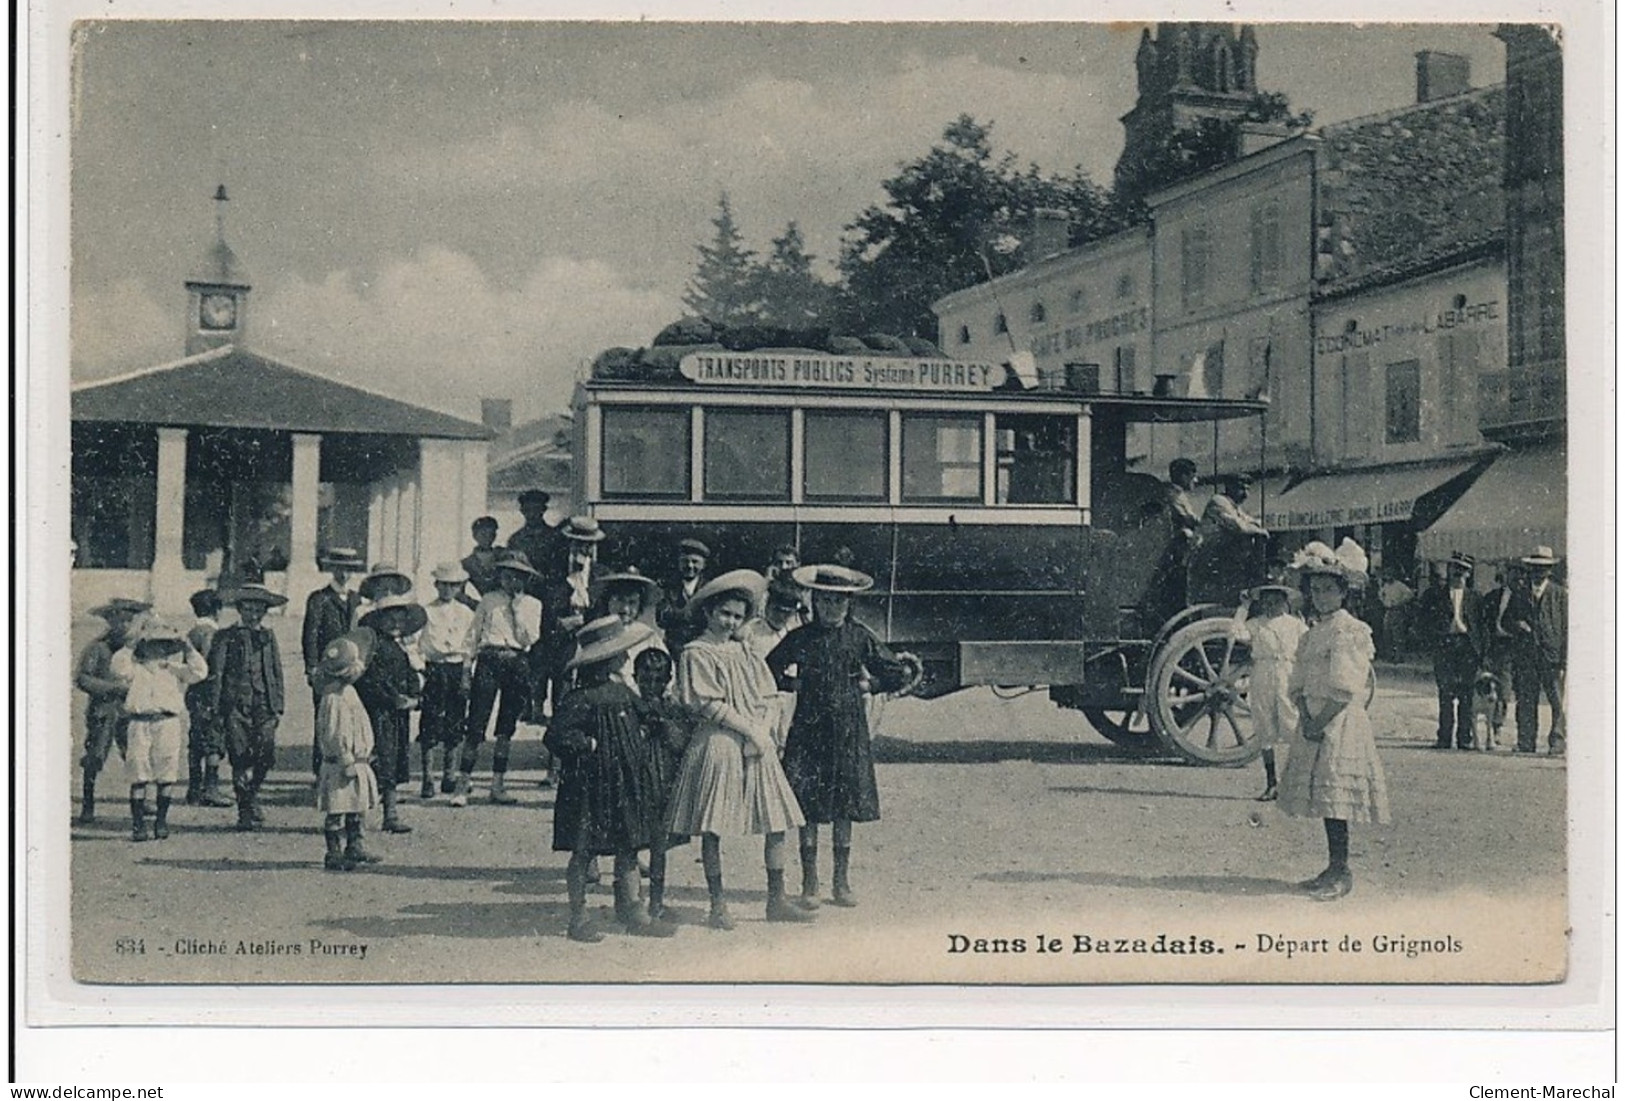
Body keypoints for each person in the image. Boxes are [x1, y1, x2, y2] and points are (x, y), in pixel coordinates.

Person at [664, 570, 817, 929]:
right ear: (708, 613)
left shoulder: (744, 650)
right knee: (713, 825)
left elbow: (767, 692)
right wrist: (748, 729)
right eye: (724, 614)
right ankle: (718, 903)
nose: (730, 621)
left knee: (776, 818)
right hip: (719, 741)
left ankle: (775, 898)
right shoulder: (695, 652)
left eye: (737, 615)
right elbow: (707, 703)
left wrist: (762, 731)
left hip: (756, 741)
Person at [766, 565, 922, 908]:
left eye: (838, 601)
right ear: (815, 600)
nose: (831, 607)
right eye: (824, 600)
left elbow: (897, 671)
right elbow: (766, 669)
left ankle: (841, 881)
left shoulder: (859, 637)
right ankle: (810, 882)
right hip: (808, 730)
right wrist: (794, 684)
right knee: (808, 805)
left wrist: (873, 684)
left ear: (848, 604)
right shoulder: (800, 638)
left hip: (849, 730)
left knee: (844, 807)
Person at [543, 616, 676, 942]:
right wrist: (586, 743)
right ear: (605, 659)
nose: (626, 658)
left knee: (629, 847)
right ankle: (578, 916)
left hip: (625, 785)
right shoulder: (580, 698)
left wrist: (653, 724)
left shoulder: (621, 692)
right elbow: (556, 735)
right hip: (590, 787)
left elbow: (646, 714)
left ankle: (633, 910)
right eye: (621, 653)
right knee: (584, 850)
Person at [1276, 539, 1390, 902]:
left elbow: (1345, 686)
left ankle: (1343, 870)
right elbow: (1297, 678)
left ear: (1343, 592)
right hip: (1313, 718)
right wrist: (1303, 712)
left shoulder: (1349, 629)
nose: (1322, 597)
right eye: (1316, 590)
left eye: (1329, 590)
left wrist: (1320, 719)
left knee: (1337, 797)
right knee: (1323, 797)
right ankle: (1331, 865)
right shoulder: (1312, 632)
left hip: (1336, 721)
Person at [454, 551, 543, 806]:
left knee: (506, 726)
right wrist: (465, 671)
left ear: (525, 579)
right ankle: (462, 784)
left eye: (517, 577)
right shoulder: (488, 600)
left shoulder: (533, 605)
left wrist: (516, 611)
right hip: (489, 661)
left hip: (517, 662)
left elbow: (528, 639)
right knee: (476, 723)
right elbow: (473, 635)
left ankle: (497, 785)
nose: (510, 581)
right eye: (506, 576)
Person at [112, 619, 210, 842]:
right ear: (143, 647)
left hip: (167, 724)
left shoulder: (175, 670)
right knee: (139, 772)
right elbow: (117, 668)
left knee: (166, 772)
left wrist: (188, 647)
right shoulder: (134, 670)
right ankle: (138, 825)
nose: (157, 650)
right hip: (139, 723)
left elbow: (200, 671)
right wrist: (130, 645)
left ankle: (161, 822)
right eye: (152, 645)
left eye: (163, 645)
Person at [205, 583, 287, 832]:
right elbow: (216, 674)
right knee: (239, 757)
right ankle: (244, 810)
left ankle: (252, 794)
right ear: (240, 609)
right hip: (235, 706)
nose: (253, 615)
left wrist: (279, 706)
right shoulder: (225, 636)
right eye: (249, 609)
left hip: (264, 703)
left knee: (266, 754)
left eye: (259, 610)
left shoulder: (268, 637)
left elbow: (276, 671)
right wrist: (216, 708)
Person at [630, 647, 699, 922]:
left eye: (658, 680)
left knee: (659, 847)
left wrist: (665, 726)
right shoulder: (629, 706)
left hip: (662, 783)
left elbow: (683, 743)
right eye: (646, 680)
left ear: (668, 679)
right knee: (630, 846)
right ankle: (632, 902)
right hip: (636, 783)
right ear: (635, 677)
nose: (652, 686)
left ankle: (656, 902)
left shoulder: (673, 708)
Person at [355, 594, 426, 834]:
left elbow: (410, 676)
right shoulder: (372, 647)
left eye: (400, 620)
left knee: (394, 760)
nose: (395, 624)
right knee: (376, 760)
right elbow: (372, 681)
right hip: (378, 713)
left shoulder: (400, 648)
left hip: (397, 715)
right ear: (379, 620)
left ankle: (391, 814)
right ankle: (360, 816)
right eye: (390, 620)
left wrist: (414, 697)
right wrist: (394, 698)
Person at [74, 598, 149, 824]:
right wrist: (114, 688)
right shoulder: (97, 648)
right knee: (95, 756)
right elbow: (83, 679)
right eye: (119, 621)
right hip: (104, 711)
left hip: (131, 711)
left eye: (129, 620)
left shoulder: (140, 649)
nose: (124, 626)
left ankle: (141, 803)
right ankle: (88, 804)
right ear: (109, 622)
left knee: (136, 755)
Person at [313, 632, 383, 871]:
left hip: (359, 759)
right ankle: (333, 852)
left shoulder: (348, 692)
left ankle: (355, 845)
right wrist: (345, 758)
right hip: (343, 762)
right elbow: (335, 732)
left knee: (356, 805)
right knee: (338, 806)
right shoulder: (333, 698)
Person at [302, 547, 364, 776]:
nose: (344, 574)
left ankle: (349, 768)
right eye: (340, 569)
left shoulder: (357, 599)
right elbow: (310, 635)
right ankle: (322, 770)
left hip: (353, 669)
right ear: (332, 569)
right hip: (327, 669)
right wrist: (312, 667)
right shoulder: (320, 598)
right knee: (326, 717)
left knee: (351, 716)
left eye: (349, 569)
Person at [1415, 552, 1486, 750]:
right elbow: (1422, 620)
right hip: (1445, 647)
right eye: (1454, 568)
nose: (1458, 574)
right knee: (1445, 695)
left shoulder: (1476, 597)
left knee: (1467, 695)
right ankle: (1444, 738)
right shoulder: (1434, 595)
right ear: (1449, 570)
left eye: (1462, 570)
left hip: (1467, 648)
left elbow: (1482, 626)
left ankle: (1465, 738)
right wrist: (1433, 639)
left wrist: (1482, 654)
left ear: (1469, 574)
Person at [419, 562, 475, 798]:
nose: (448, 590)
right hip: (434, 669)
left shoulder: (466, 613)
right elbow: (419, 644)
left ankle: (449, 775)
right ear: (436, 585)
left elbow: (470, 646)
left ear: (460, 587)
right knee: (431, 721)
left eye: (453, 585)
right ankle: (427, 778)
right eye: (443, 585)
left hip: (456, 668)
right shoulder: (425, 611)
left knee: (455, 721)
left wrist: (465, 672)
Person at [1246, 583, 1306, 802]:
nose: (1272, 606)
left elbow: (1308, 647)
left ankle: (1296, 783)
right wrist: (1243, 608)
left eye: (1276, 601)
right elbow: (1235, 633)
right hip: (1263, 672)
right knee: (1265, 727)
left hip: (1287, 672)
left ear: (1285, 602)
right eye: (1267, 602)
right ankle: (1271, 783)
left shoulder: (1296, 625)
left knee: (1292, 723)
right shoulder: (1255, 624)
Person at [1505, 546, 1567, 757]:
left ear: (1550, 570)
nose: (1539, 573)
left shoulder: (1560, 595)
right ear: (1529, 569)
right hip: (1526, 656)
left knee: (1556, 701)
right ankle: (1525, 741)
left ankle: (1557, 742)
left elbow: (1568, 628)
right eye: (1535, 569)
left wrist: (1565, 660)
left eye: (1544, 569)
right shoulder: (1520, 594)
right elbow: (1505, 621)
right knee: (1526, 700)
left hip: (1551, 657)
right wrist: (1517, 624)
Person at [738, 577, 808, 752]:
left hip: (786, 701)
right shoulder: (749, 631)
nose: (781, 616)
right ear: (767, 605)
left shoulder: (795, 635)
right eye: (777, 610)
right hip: (757, 699)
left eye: (787, 612)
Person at [183, 588, 233, 808]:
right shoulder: (213, 633)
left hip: (194, 692)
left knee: (195, 741)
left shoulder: (191, 632)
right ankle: (210, 789)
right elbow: (214, 668)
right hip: (211, 693)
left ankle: (193, 790)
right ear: (217, 610)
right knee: (214, 741)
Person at [1188, 474, 1269, 606]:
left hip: (1224, 563)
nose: (1246, 494)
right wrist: (1259, 531)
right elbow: (1238, 526)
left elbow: (1253, 522)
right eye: (1242, 489)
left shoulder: (1235, 508)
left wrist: (1257, 528)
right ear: (1230, 488)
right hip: (1208, 561)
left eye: (1248, 490)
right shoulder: (1219, 501)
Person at [591, 567, 667, 692]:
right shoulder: (597, 632)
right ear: (608, 600)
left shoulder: (648, 635)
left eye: (632, 603)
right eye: (619, 600)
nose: (625, 609)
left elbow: (667, 672)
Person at [1482, 565, 1521, 746]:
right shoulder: (1492, 597)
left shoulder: (1524, 598)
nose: (1516, 581)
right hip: (1492, 646)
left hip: (1511, 649)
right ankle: (1488, 728)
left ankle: (1497, 727)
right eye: (1512, 577)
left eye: (1518, 578)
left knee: (1504, 691)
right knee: (1487, 688)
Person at [656, 538, 711, 651]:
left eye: (695, 562)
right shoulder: (668, 587)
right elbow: (661, 619)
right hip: (674, 646)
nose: (690, 566)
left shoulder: (710, 588)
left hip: (702, 646)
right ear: (678, 563)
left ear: (704, 565)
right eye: (685, 561)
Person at [506, 490, 565, 595]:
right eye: (528, 510)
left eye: (536, 509)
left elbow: (561, 568)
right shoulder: (515, 540)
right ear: (522, 511)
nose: (532, 514)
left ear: (543, 510)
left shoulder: (556, 537)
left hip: (551, 593)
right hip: (524, 594)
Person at [461, 517, 506, 606]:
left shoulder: (503, 554)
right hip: (486, 606)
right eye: (483, 534)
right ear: (474, 535)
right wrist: (477, 605)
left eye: (491, 534)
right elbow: (458, 593)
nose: (488, 538)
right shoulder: (467, 563)